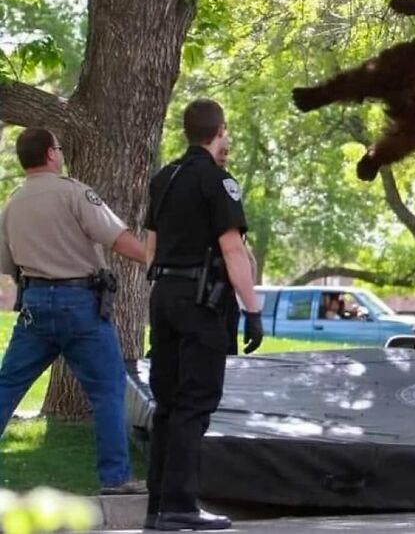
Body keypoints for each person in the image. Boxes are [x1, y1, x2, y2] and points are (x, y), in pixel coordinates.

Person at [0, 127, 147, 494]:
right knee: (108, 389)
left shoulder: (12, 204)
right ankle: (115, 478)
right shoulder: (75, 192)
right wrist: (154, 260)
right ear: (51, 153)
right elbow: (117, 237)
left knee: (7, 387)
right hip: (80, 304)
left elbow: (6, 265)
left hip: (34, 305)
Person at [144, 99, 263, 531]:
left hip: (165, 296)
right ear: (220, 131)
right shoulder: (218, 181)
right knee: (195, 403)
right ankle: (181, 507)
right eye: (226, 134)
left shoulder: (164, 179)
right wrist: (252, 310)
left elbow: (151, 250)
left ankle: (158, 506)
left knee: (167, 403)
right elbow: (232, 249)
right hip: (202, 300)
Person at [215, 138, 257, 356]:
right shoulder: (223, 184)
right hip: (211, 297)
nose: (224, 156)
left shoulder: (169, 179)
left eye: (227, 151)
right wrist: (253, 312)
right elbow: (232, 250)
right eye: (221, 150)